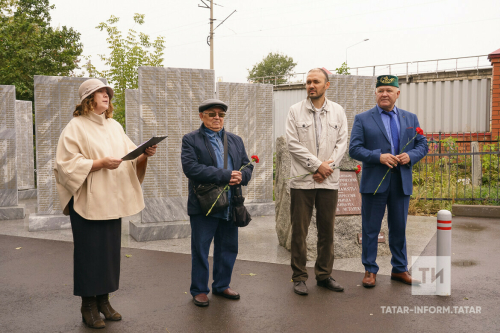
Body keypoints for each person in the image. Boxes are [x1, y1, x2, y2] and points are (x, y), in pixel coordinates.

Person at [54, 78, 157, 329]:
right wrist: (98, 164)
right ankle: (88, 306)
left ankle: (104, 301)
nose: (106, 95)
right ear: (88, 99)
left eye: (107, 92)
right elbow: (64, 165)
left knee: (109, 254)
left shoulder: (114, 126)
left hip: (112, 200)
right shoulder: (75, 127)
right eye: (100, 92)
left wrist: (144, 154)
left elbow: (130, 157)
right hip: (88, 202)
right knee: (90, 254)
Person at [349, 75, 428, 288]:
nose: (385, 94)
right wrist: (379, 156)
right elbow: (354, 149)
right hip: (374, 182)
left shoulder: (410, 119)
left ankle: (400, 269)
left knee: (399, 227)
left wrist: (410, 156)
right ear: (376, 93)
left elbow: (423, 145)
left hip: (401, 182)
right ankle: (370, 270)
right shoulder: (363, 119)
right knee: (370, 228)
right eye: (381, 90)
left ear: (397, 94)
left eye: (389, 90)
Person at [181, 99, 254, 307]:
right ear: (201, 116)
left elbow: (247, 165)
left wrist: (243, 176)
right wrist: (224, 175)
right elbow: (191, 168)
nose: (217, 118)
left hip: (231, 202)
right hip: (205, 203)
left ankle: (222, 286)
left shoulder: (235, 140)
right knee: (201, 248)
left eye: (221, 114)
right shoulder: (191, 139)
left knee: (228, 247)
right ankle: (200, 290)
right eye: (212, 114)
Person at [285, 68, 348, 296]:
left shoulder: (338, 112)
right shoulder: (294, 111)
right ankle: (299, 277)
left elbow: (342, 143)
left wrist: (327, 169)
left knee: (326, 231)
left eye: (316, 82)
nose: (311, 85)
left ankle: (324, 275)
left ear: (326, 85)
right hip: (303, 181)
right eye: (308, 82)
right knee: (299, 232)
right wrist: (317, 166)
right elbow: (293, 144)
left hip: (328, 182)